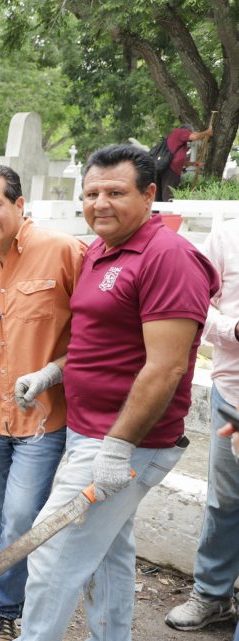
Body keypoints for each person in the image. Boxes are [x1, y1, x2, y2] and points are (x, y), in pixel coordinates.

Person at [19, 144, 219, 640]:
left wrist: (118, 445)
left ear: (150, 194)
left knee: (51, 556)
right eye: (91, 193)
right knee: (107, 553)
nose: (100, 203)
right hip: (91, 434)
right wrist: (52, 373)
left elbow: (167, 366)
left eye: (115, 192)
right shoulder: (101, 251)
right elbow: (103, 343)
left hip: (124, 442)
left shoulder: (168, 258)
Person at [0, 164, 87, 640]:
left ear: (18, 204)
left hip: (44, 419)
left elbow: (101, 332)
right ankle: (1, 597)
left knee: (20, 517)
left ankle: (8, 607)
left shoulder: (64, 251)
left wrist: (54, 371)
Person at [165, 207, 239, 631]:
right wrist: (235, 330)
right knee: (225, 501)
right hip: (233, 397)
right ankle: (212, 596)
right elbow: (196, 306)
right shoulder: (226, 238)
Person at [156, 124, 213, 202]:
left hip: (167, 168)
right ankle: (168, 213)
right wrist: (207, 132)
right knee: (168, 193)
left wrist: (193, 164)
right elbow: (194, 137)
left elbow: (179, 160)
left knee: (161, 194)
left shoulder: (177, 140)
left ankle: (157, 213)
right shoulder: (181, 132)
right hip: (171, 169)